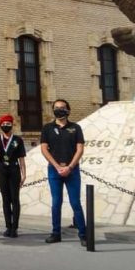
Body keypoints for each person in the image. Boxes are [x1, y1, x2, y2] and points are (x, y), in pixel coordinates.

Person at [40, 99, 87, 246]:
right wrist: (57, 166)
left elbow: (80, 149)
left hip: (72, 171)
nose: (59, 110)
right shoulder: (47, 128)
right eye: (56, 108)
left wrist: (70, 167)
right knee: (56, 203)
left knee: (75, 203)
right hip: (54, 171)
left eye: (62, 108)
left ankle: (84, 235)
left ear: (68, 110)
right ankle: (56, 233)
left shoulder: (75, 128)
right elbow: (44, 149)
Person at [0, 114, 26, 237]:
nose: (6, 126)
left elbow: (21, 159)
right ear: (0, 126)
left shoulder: (18, 140)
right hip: (2, 170)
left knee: (15, 199)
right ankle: (8, 226)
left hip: (14, 169)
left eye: (8, 124)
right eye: (4, 124)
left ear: (12, 125)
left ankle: (15, 227)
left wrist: (24, 174)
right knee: (6, 199)